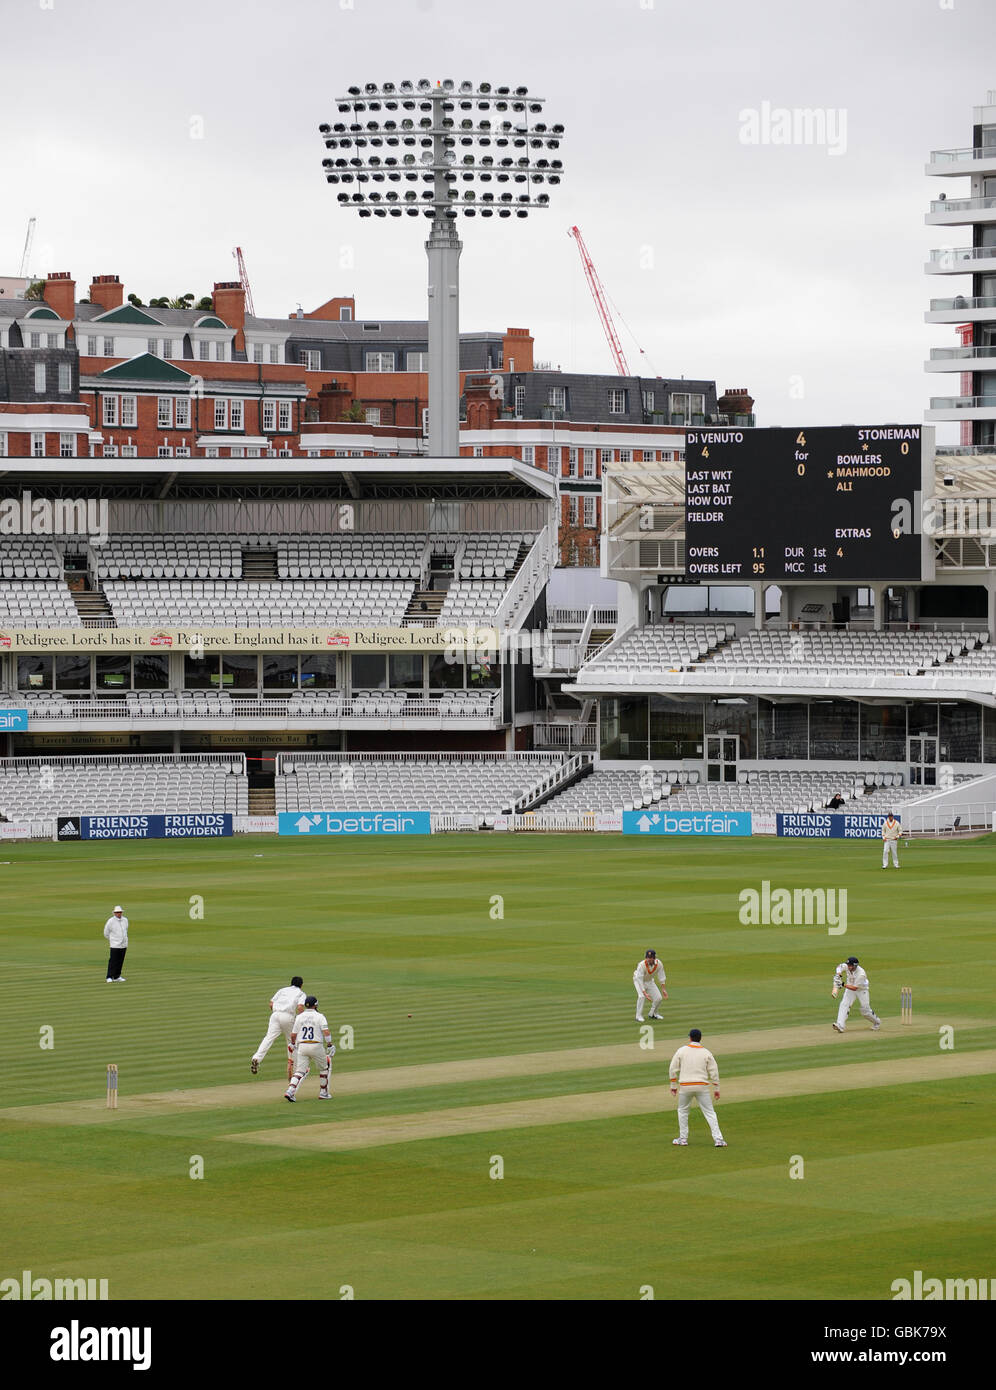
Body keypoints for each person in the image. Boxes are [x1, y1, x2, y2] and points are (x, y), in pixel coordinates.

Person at [669, 1029, 727, 1147]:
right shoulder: (706, 1052)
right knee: (710, 1113)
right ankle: (718, 1139)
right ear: (700, 1038)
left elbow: (672, 1068)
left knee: (683, 1111)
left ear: (690, 1038)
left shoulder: (681, 1051)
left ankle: (683, 1139)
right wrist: (716, 1088)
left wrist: (673, 1085)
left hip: (685, 1087)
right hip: (702, 1087)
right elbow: (714, 1071)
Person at [251, 976, 307, 1077]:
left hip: (275, 1015)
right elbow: (300, 1007)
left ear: (291, 983)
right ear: (301, 985)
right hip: (288, 1016)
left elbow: (271, 1004)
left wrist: (277, 1011)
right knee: (292, 1042)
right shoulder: (301, 993)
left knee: (268, 1038)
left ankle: (257, 1058)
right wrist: (301, 1018)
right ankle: (294, 1070)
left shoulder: (282, 990)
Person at [285, 995, 334, 1102]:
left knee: (299, 1071)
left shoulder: (299, 1017)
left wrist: (293, 1043)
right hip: (316, 1045)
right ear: (315, 1005)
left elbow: (293, 1034)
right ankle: (323, 1092)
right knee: (324, 1068)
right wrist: (329, 1044)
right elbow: (326, 1032)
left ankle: (290, 1091)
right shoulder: (320, 1016)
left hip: (302, 1046)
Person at [831, 956, 881, 1033]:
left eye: (850, 966)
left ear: (855, 965)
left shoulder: (861, 974)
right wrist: (839, 974)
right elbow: (839, 967)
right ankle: (840, 1025)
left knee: (865, 1010)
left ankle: (877, 1022)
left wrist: (843, 984)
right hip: (849, 988)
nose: (849, 967)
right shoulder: (847, 966)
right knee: (844, 1004)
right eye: (848, 965)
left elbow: (855, 988)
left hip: (861, 990)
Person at [633, 949, 668, 1022]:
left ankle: (653, 1014)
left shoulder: (659, 964)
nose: (649, 959)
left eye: (651, 957)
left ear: (654, 958)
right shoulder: (641, 965)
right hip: (638, 981)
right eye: (648, 957)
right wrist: (644, 992)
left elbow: (661, 976)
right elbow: (639, 979)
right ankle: (638, 1016)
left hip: (650, 981)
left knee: (658, 998)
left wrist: (663, 989)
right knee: (641, 996)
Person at [103, 906, 129, 983]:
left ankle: (117, 976)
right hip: (115, 945)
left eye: (120, 912)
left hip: (123, 944)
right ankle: (109, 976)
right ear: (114, 913)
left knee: (120, 961)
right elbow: (106, 933)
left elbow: (125, 930)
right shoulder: (110, 921)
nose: (119, 913)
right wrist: (113, 940)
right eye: (117, 912)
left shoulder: (125, 920)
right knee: (113, 961)